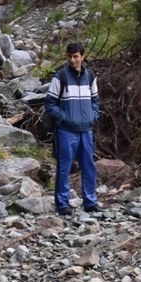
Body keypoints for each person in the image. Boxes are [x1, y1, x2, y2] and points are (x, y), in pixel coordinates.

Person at [44, 42, 100, 216]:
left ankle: (90, 202)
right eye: (69, 56)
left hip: (86, 130)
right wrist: (64, 118)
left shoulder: (90, 77)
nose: (72, 59)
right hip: (66, 131)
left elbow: (95, 102)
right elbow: (50, 104)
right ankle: (62, 205)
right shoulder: (60, 77)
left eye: (76, 56)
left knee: (88, 166)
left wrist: (93, 116)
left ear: (82, 56)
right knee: (64, 167)